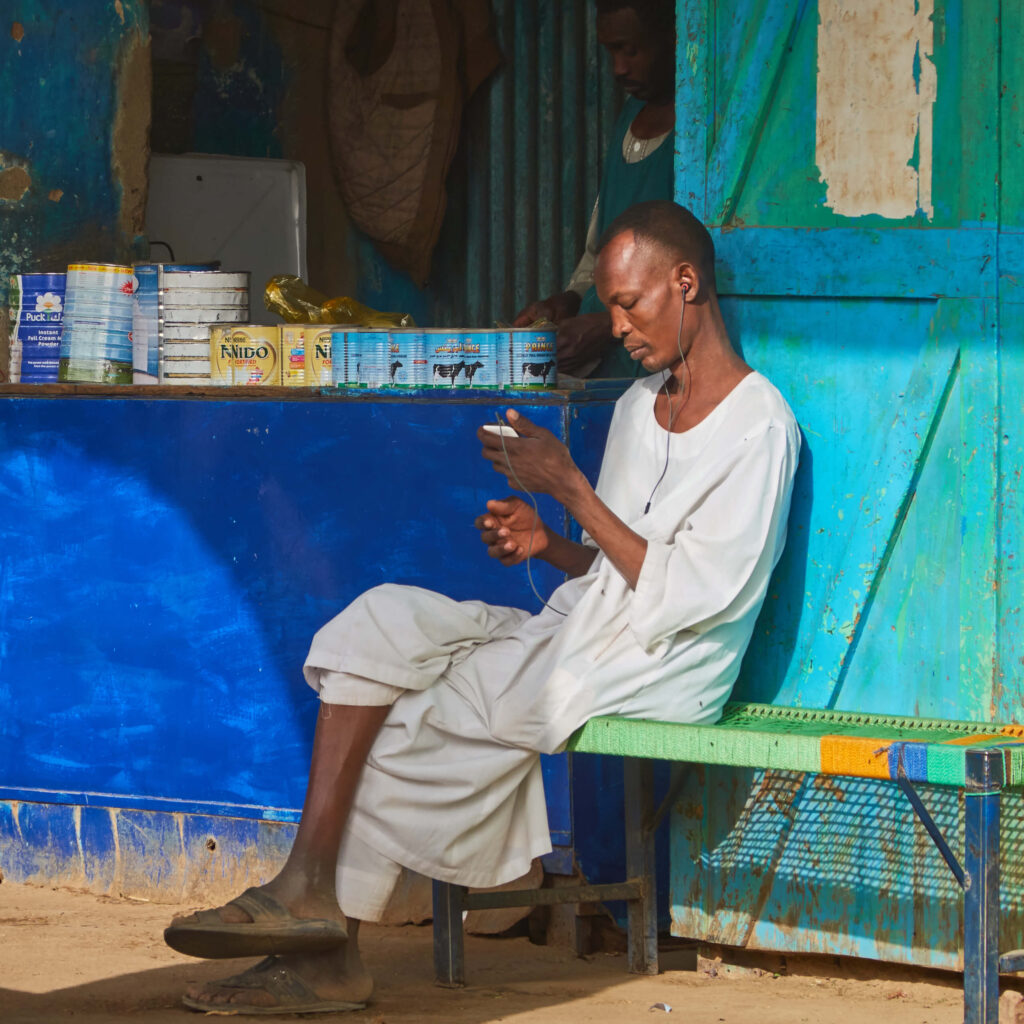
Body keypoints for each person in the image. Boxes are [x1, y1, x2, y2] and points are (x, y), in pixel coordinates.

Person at [166, 201, 800, 1016]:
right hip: (585, 625)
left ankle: (320, 933)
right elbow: (615, 562)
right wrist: (550, 541)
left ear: (686, 282)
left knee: (409, 713)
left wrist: (569, 485)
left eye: (629, 304)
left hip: (666, 660)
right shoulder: (642, 406)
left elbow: (696, 596)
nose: (616, 325)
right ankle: (310, 895)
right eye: (609, 305)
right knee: (382, 620)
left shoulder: (760, 428)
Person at [513, 0, 675, 379]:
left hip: (658, 369)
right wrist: (567, 302)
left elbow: (696, 275)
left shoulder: (698, 137)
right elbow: (597, 250)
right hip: (606, 373)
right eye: (611, 51)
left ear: (672, 38)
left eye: (631, 50)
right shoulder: (627, 119)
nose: (619, 68)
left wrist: (607, 326)